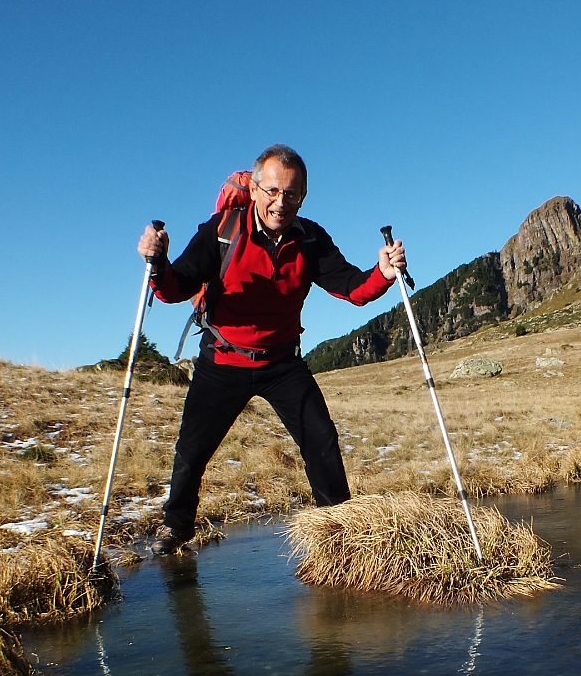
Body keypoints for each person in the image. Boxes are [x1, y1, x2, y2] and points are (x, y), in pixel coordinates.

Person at [136, 144, 405, 555]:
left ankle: (340, 536)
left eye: (292, 194)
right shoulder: (221, 230)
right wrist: (158, 263)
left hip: (282, 362)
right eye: (273, 191)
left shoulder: (310, 238)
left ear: (303, 197)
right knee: (192, 451)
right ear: (256, 188)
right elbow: (177, 288)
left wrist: (383, 273)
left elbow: (351, 287)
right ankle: (176, 533)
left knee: (321, 441)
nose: (282, 202)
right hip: (223, 360)